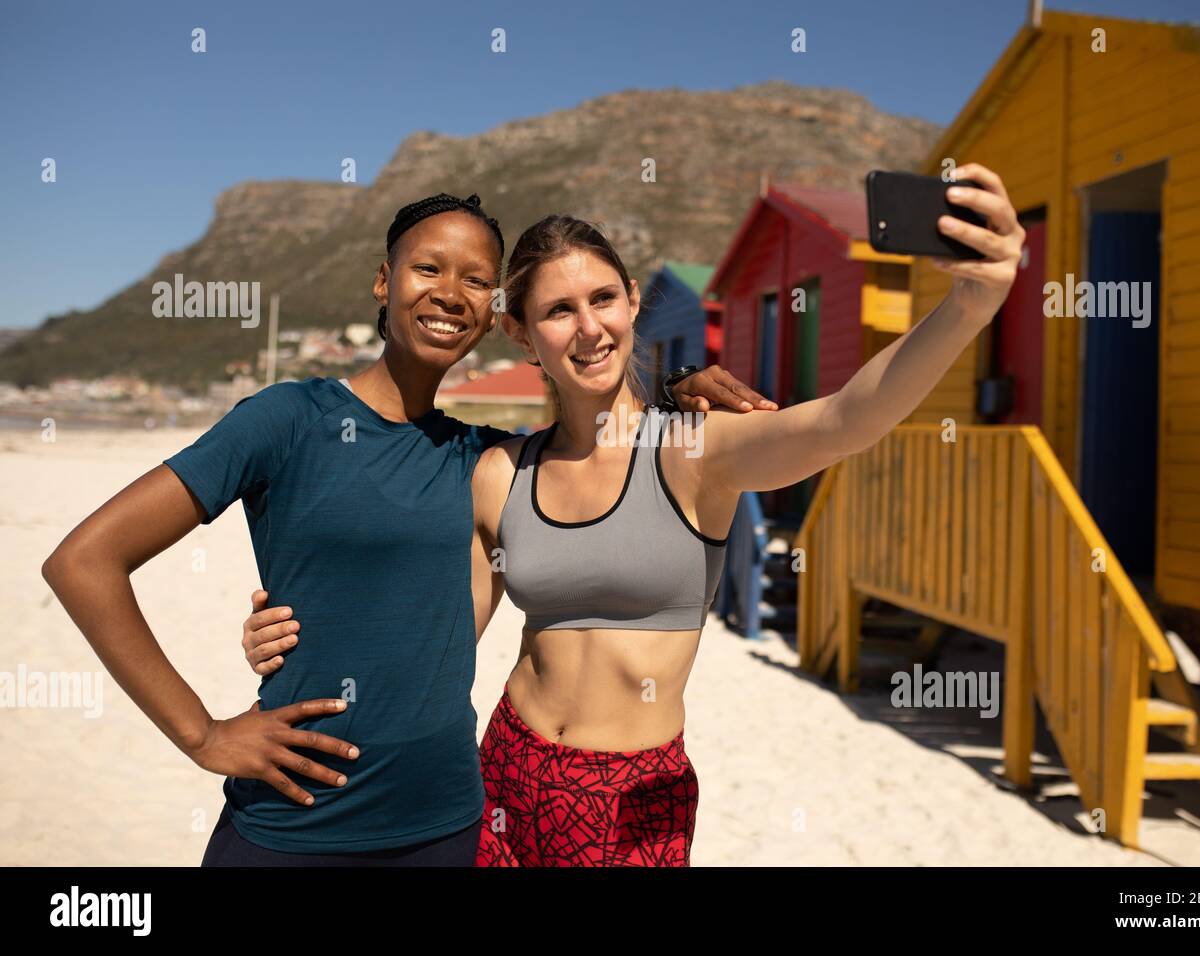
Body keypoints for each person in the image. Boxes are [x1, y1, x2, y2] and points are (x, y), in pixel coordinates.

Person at [249, 162, 1025, 866]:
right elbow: (431, 640)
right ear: (521, 331)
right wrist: (297, 628)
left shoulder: (697, 453)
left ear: (630, 306)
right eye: (558, 310)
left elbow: (846, 420)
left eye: (604, 299)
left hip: (636, 801)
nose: (588, 327)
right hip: (505, 776)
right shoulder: (499, 473)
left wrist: (971, 304)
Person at [40, 191, 770, 867]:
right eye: (428, 267)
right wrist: (201, 734)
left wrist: (679, 388)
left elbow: (595, 437)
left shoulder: (487, 460)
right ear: (384, 281)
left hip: (450, 828)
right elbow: (84, 562)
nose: (450, 292)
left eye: (476, 280)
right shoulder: (287, 420)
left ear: (494, 315)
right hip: (294, 824)